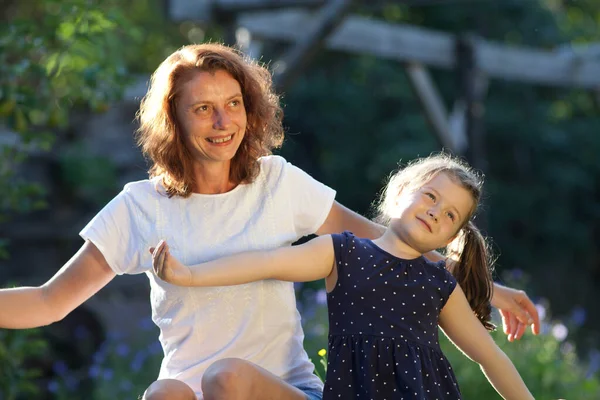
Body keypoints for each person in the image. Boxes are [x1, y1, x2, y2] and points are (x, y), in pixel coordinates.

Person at [0, 43, 539, 400]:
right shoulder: (139, 207)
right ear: (173, 119)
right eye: (203, 108)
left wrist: (488, 289)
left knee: (227, 377)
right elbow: (49, 301)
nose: (222, 121)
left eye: (233, 104)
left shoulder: (277, 181)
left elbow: (382, 244)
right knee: (165, 395)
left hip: (281, 390)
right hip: (186, 388)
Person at [151, 154, 534, 399]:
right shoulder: (343, 252)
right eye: (430, 196)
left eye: (450, 215)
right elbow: (264, 263)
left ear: (451, 237)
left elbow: (490, 357)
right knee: (224, 375)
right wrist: (187, 275)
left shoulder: (438, 283)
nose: (436, 212)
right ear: (398, 193)